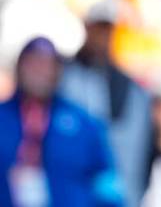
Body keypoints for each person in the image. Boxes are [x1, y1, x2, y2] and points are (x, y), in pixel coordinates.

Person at [0, 36, 124, 207]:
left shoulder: (83, 124)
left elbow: (107, 186)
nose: (40, 72)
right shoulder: (3, 117)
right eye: (33, 64)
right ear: (20, 67)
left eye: (46, 65)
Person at [61, 0, 153, 207]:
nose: (102, 36)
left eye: (107, 30)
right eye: (98, 28)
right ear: (87, 27)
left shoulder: (132, 90)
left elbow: (140, 153)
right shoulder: (63, 78)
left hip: (117, 194)